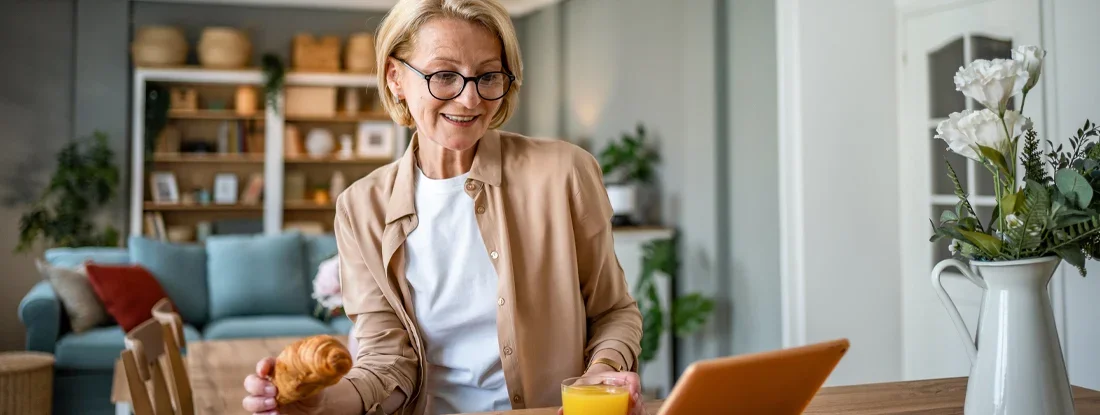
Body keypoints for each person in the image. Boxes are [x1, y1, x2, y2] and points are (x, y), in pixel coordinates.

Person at [242, 0, 643, 414]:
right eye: (445, 75)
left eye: (488, 76)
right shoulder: (361, 208)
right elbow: (385, 365)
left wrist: (603, 372)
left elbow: (613, 312)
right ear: (395, 77)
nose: (470, 99)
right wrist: (321, 404)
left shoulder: (564, 173)